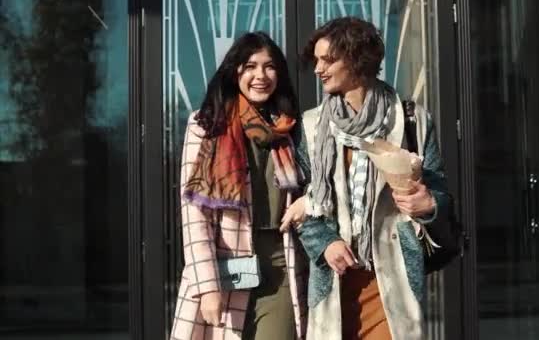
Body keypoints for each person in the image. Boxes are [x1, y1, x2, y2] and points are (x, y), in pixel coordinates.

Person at [284, 17, 452, 340]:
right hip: (334, 278)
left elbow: (439, 191)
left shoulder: (411, 120)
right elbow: (300, 203)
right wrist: (324, 244)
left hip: (393, 280)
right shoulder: (311, 126)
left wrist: (428, 203)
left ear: (357, 59)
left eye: (328, 60)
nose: (318, 69)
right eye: (316, 60)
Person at [170, 31, 310, 340]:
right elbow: (195, 217)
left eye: (269, 66)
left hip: (281, 264)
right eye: (250, 66)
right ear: (235, 72)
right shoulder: (206, 125)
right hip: (226, 267)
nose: (261, 75)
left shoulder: (290, 128)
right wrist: (207, 287)